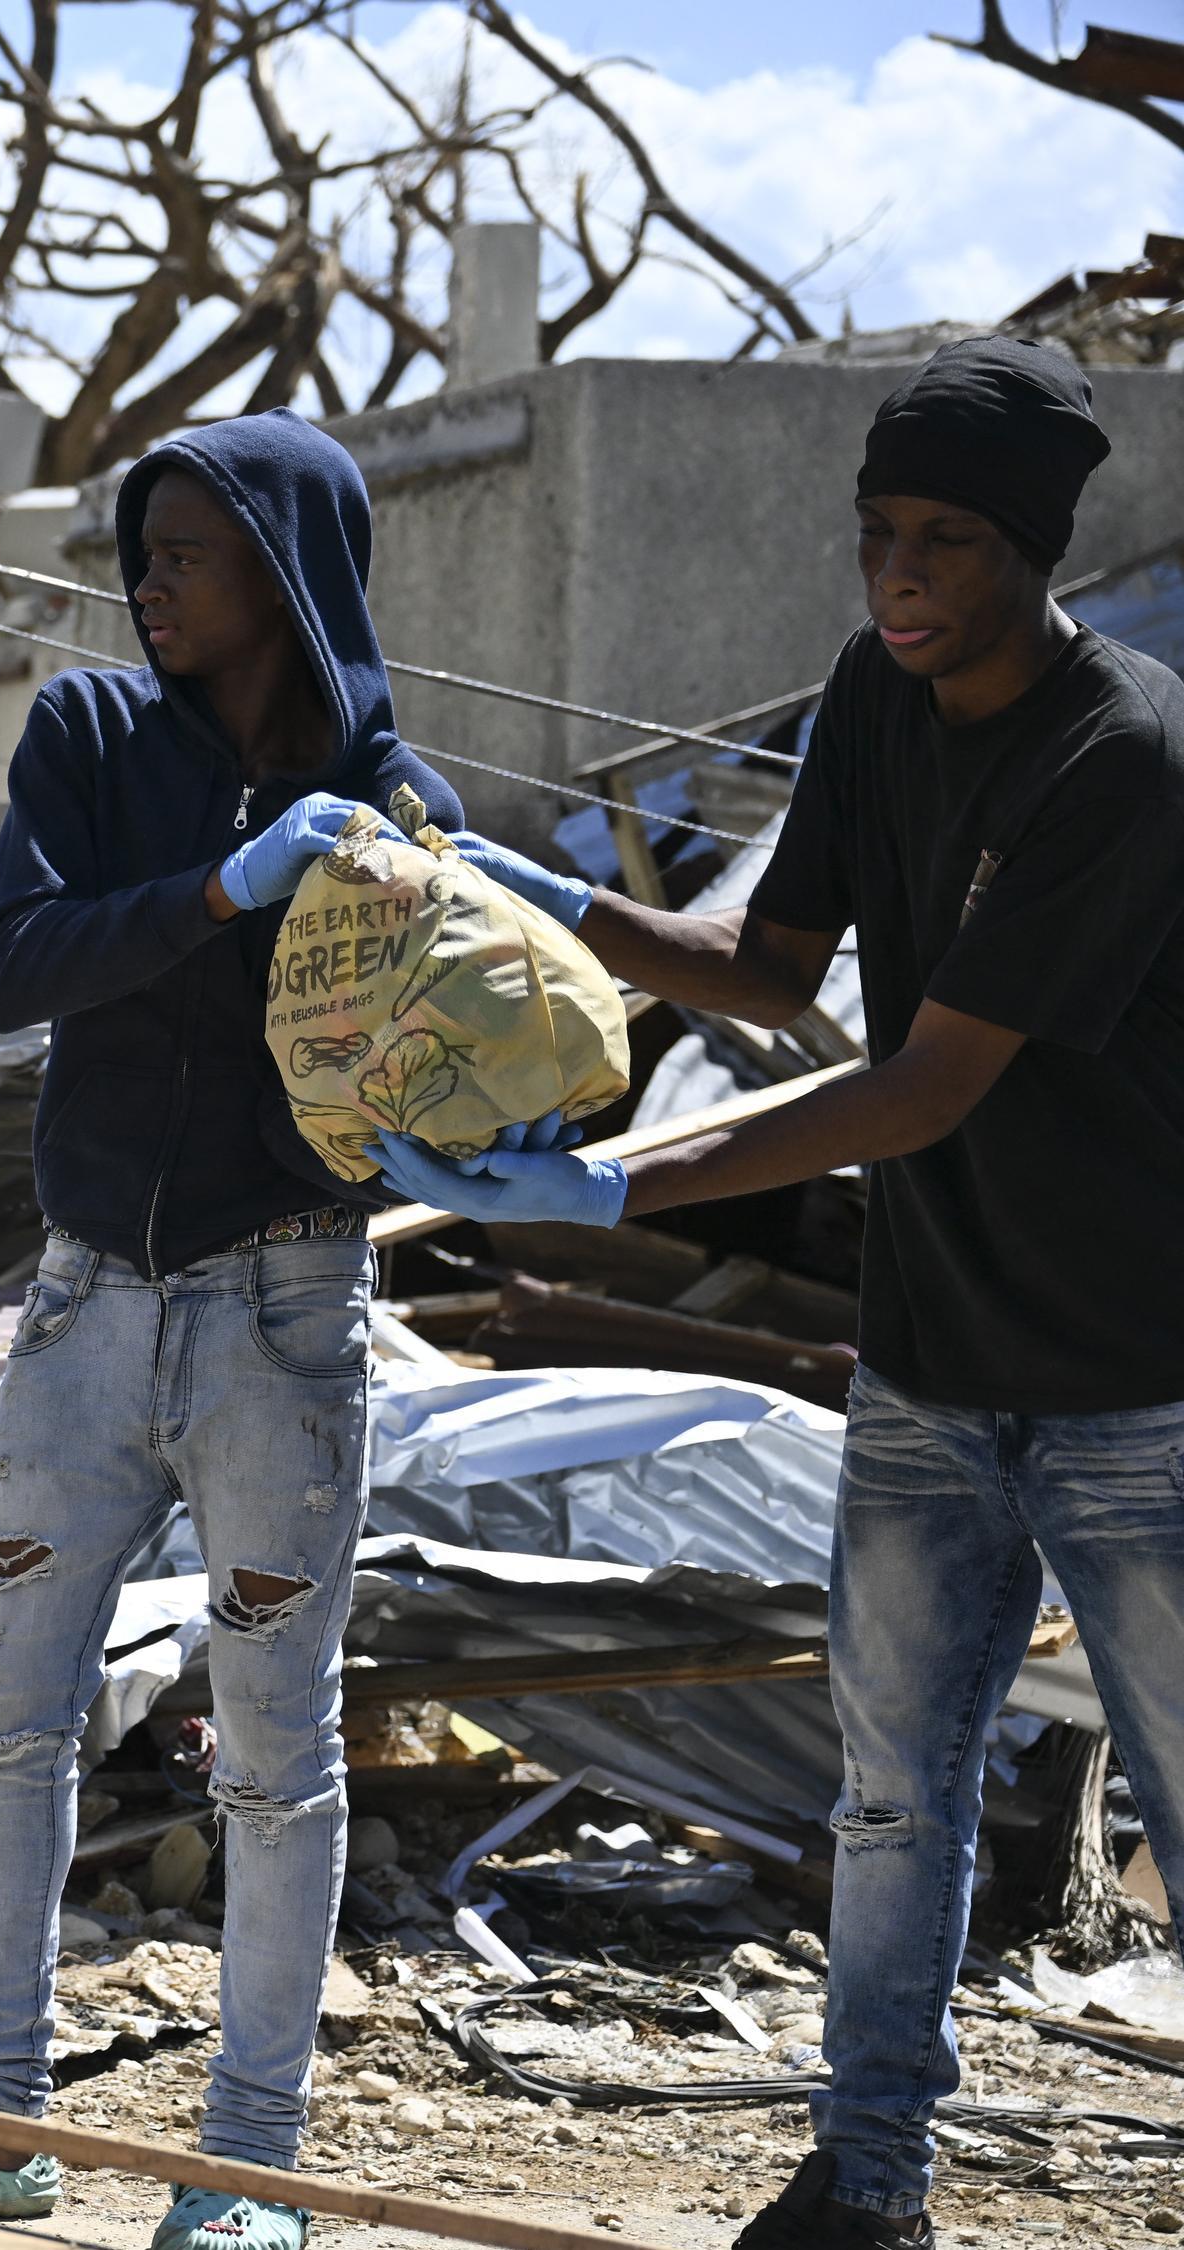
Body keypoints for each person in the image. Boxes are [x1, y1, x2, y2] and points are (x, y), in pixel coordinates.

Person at [381, 336, 1178, 2250]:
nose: (899, 576)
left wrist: (610, 1180)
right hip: (930, 1365)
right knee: (895, 1797)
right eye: (876, 532)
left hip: (1136, 1379)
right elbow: (767, 966)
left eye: (949, 543)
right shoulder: (875, 693)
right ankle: (868, 2184)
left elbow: (919, 1086)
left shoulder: (1121, 759)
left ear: (1038, 552)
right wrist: (515, 883)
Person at [0, 409, 460, 2250]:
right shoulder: (89, 734)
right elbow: (12, 964)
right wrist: (213, 892)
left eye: (189, 554)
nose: (149, 582)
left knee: (275, 1746)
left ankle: (242, 2170)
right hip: (89, 1296)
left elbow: (437, 1044)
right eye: (144, 549)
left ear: (283, 574)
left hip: (287, 1309)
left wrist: (488, 1106)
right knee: (12, 1712)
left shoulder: (389, 793)